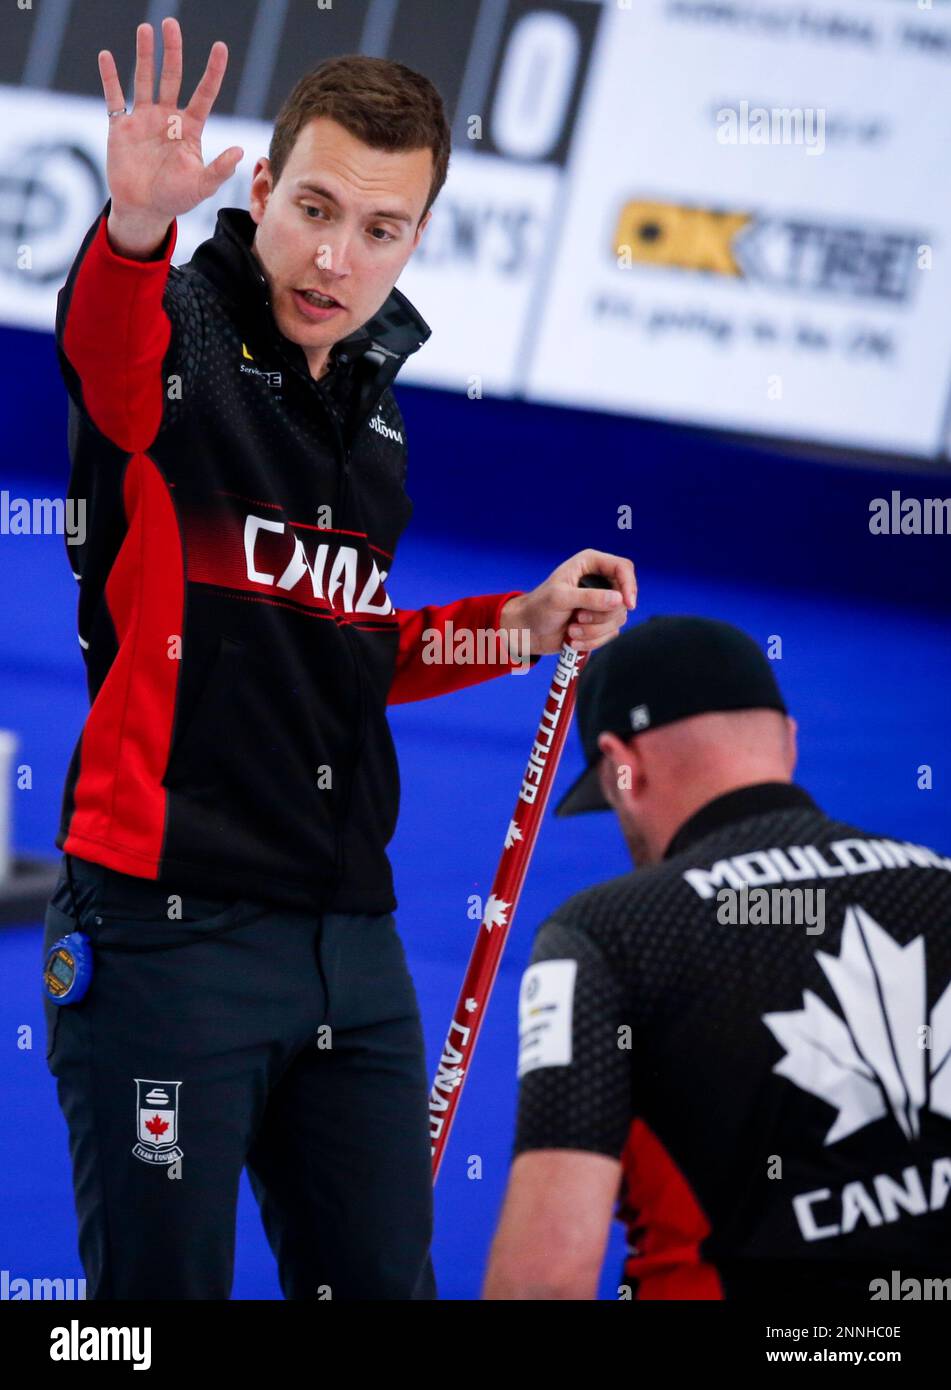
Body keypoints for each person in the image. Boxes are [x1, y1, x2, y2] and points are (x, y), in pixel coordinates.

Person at [42, 17, 637, 1301]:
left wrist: (520, 626)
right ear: (259, 190)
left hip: (351, 947)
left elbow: (354, 647)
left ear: (418, 238)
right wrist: (134, 229)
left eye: (381, 229)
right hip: (164, 939)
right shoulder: (178, 341)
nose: (335, 256)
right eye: (313, 206)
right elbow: (105, 348)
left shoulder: (374, 413)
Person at [483, 616, 951, 1300]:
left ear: (622, 766)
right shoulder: (938, 882)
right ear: (787, 743)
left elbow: (544, 1283)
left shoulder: (605, 935)